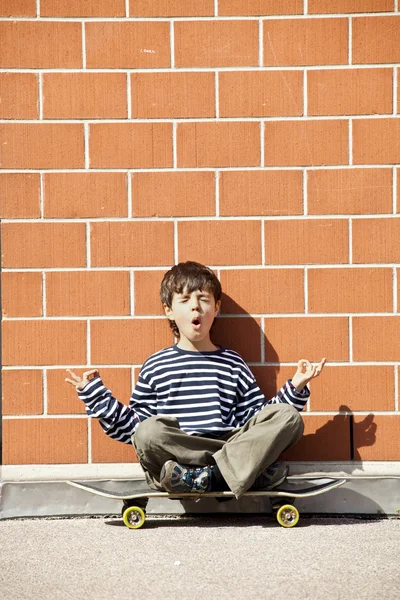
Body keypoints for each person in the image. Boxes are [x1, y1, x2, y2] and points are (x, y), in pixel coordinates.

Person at [66, 261, 325, 499]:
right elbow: (133, 429)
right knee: (147, 432)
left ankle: (212, 477)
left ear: (216, 308)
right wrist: (96, 396)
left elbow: (257, 416)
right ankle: (244, 476)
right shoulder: (157, 365)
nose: (195, 306)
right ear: (168, 310)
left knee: (288, 418)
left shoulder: (232, 362)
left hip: (227, 446)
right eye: (185, 299)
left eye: (203, 299)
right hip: (179, 458)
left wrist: (296, 386)